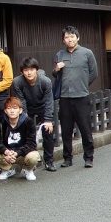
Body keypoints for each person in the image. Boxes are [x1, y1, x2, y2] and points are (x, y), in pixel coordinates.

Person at [53, 26, 99, 168]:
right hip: (65, 97)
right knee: (66, 129)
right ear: (63, 40)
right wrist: (56, 69)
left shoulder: (87, 53)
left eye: (72, 36)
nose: (70, 39)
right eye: (67, 37)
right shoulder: (59, 55)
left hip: (82, 96)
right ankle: (67, 158)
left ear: (77, 38)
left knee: (85, 128)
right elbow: (55, 75)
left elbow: (94, 73)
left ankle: (89, 157)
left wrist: (83, 85)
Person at [12, 57, 57, 171]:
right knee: (26, 132)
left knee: (48, 131)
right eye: (26, 70)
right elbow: (21, 101)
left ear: (36, 70)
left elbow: (49, 101)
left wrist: (48, 120)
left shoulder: (45, 81)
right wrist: (24, 118)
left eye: (31, 69)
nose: (29, 72)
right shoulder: (17, 82)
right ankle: (30, 160)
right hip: (27, 107)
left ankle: (49, 161)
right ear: (22, 71)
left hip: (42, 107)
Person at [0, 96, 40, 181]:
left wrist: (16, 153)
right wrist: (5, 151)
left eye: (15, 108)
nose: (12, 111)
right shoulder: (0, 121)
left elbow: (31, 144)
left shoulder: (28, 122)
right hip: (6, 155)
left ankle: (28, 170)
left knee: (34, 156)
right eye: (9, 108)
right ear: (5, 111)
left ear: (20, 110)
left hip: (22, 154)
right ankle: (7, 169)